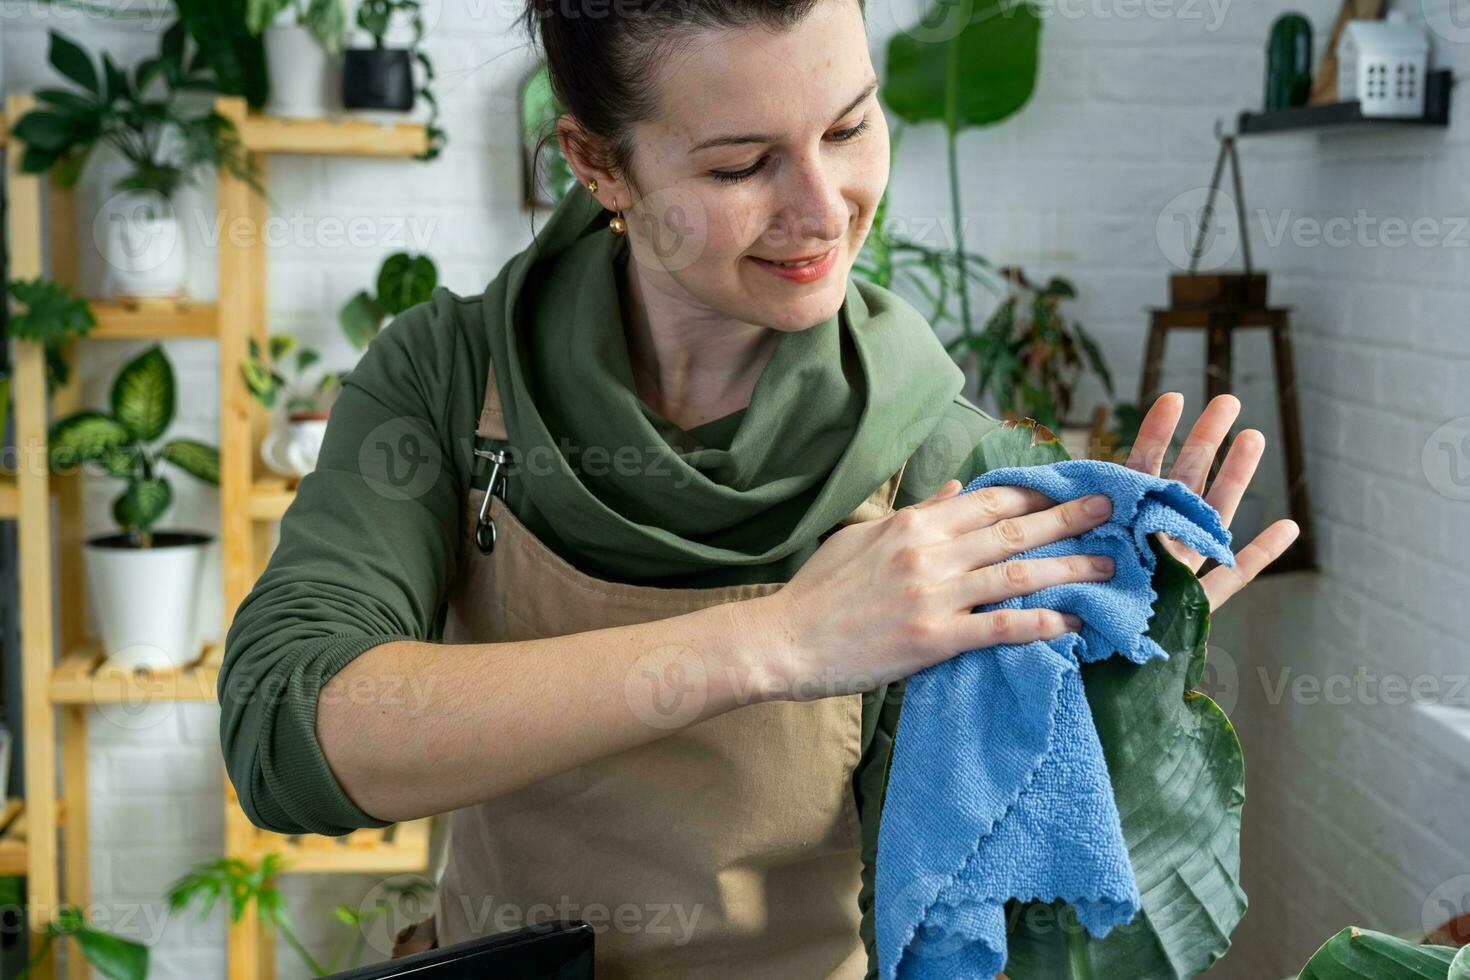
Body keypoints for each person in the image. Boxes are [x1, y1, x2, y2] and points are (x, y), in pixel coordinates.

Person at [217, 1, 1299, 977]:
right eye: (742, 166)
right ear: (597, 163)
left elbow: (975, 908)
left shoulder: (941, 469)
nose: (826, 210)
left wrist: (1113, 698)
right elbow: (285, 737)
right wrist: (777, 640)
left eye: (847, 128)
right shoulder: (448, 379)